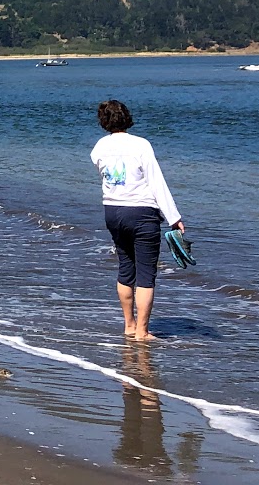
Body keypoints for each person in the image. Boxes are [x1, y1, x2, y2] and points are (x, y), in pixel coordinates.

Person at [91, 99, 184, 341]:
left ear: (103, 121)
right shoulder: (141, 145)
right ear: (127, 117)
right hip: (141, 212)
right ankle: (142, 331)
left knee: (125, 266)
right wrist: (174, 218)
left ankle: (129, 325)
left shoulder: (99, 147)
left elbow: (102, 170)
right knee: (145, 273)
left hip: (112, 210)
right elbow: (156, 182)